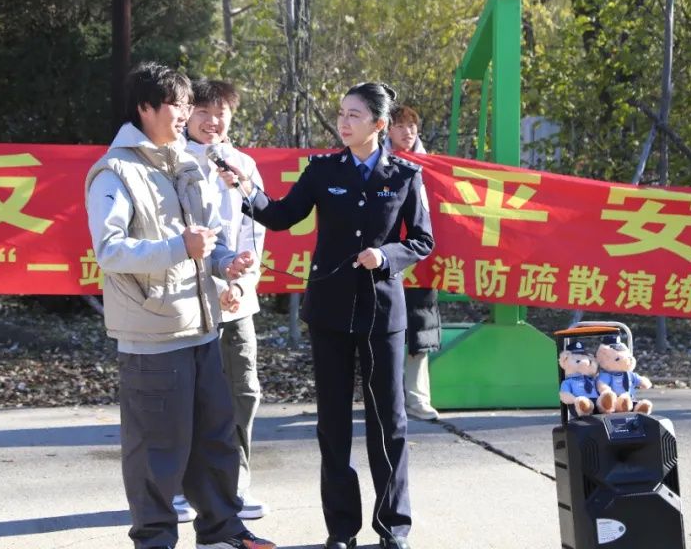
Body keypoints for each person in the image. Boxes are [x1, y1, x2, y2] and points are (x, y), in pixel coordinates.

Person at [221, 82, 435, 549]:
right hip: (330, 312)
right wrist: (244, 190)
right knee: (333, 424)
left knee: (389, 423)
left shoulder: (404, 175)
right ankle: (341, 529)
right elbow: (281, 216)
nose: (344, 122)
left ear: (379, 124)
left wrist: (387, 256)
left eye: (355, 115)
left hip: (382, 313)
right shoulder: (322, 170)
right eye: (341, 113)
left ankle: (393, 527)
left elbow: (422, 240)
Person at [84, 63, 277, 549]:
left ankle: (220, 531)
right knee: (156, 450)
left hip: (203, 327)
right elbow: (110, 250)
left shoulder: (186, 164)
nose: (186, 114)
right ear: (145, 108)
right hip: (153, 335)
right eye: (178, 105)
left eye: (189, 105)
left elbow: (207, 241)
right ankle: (154, 540)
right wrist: (180, 248)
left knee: (216, 439)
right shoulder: (115, 171)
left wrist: (227, 262)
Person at [179, 79, 269, 522]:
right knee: (188, 395)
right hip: (188, 302)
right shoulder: (172, 162)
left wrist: (242, 284)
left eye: (221, 113)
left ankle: (235, 485)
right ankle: (184, 487)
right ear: (186, 115)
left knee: (243, 391)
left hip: (238, 303)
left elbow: (255, 231)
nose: (212, 121)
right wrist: (218, 283)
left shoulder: (243, 165)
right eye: (203, 112)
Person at [386, 105, 441, 422]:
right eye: (400, 126)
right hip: (385, 257)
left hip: (421, 258)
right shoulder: (375, 162)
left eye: (412, 126)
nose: (407, 132)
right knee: (385, 331)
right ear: (387, 129)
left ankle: (418, 399)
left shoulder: (432, 167)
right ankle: (387, 399)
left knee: (420, 329)